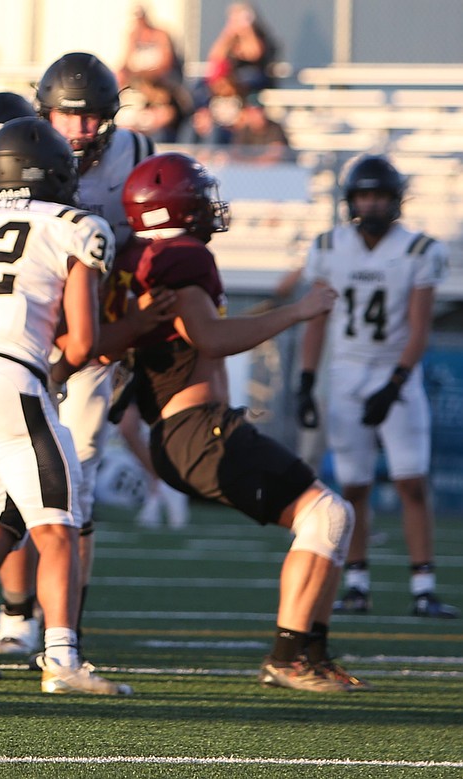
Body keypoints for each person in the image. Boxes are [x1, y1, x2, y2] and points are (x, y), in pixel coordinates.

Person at [118, 151, 367, 692]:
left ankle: (313, 654)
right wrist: (298, 311)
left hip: (187, 430)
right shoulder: (181, 259)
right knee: (326, 513)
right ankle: (287, 658)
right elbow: (209, 339)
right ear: (175, 208)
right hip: (197, 430)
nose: (211, 207)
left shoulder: (148, 260)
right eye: (199, 197)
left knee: (332, 515)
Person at [0, 117, 131, 696]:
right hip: (13, 377)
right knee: (58, 524)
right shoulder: (71, 227)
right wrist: (50, 374)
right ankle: (62, 658)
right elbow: (85, 342)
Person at [0, 51, 160, 660]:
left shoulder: (137, 156)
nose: (81, 130)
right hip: (19, 332)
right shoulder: (9, 147)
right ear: (44, 113)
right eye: (68, 116)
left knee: (73, 480)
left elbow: (153, 241)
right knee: (6, 487)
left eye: (91, 118)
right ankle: (14, 621)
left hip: (92, 338)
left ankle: (66, 628)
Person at [297, 154, 456, 620]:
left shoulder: (418, 249)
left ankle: (423, 585)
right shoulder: (329, 246)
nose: (372, 204)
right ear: (351, 201)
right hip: (346, 372)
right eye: (365, 195)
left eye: (380, 196)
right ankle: (357, 582)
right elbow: (316, 318)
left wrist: (396, 383)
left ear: (396, 200)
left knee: (411, 481)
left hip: (396, 374)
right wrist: (307, 381)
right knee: (354, 487)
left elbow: (420, 327)